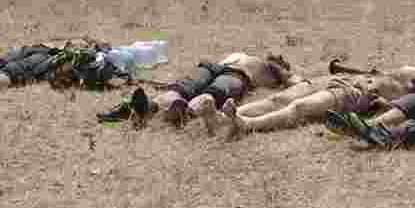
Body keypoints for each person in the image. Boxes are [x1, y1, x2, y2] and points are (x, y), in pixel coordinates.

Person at [209, 64, 415, 140]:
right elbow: (371, 70)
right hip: (342, 79)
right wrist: (340, 67)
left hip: (352, 94)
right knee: (280, 97)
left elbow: (398, 109)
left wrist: (378, 102)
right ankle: (224, 116)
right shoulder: (405, 74)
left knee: (300, 108)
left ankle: (247, 124)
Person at [99, 53, 297, 125]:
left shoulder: (273, 69)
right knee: (183, 88)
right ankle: (148, 106)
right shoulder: (251, 55)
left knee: (213, 93)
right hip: (213, 67)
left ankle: (183, 111)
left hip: (237, 75)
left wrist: (284, 73)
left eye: (282, 60)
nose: (279, 57)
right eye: (278, 58)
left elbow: (296, 81)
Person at [0, 38, 131, 100]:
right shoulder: (84, 42)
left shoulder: (98, 56)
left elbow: (115, 76)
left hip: (48, 57)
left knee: (14, 71)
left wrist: (95, 49)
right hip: (37, 48)